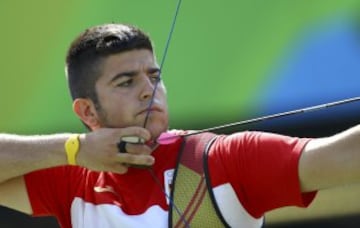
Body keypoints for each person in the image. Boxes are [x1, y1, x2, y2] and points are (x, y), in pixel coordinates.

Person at [0, 23, 359, 228]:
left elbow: (345, 155)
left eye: (153, 75)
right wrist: (73, 150)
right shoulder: (73, 178)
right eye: (126, 82)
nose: (148, 90)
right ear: (88, 112)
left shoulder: (225, 160)